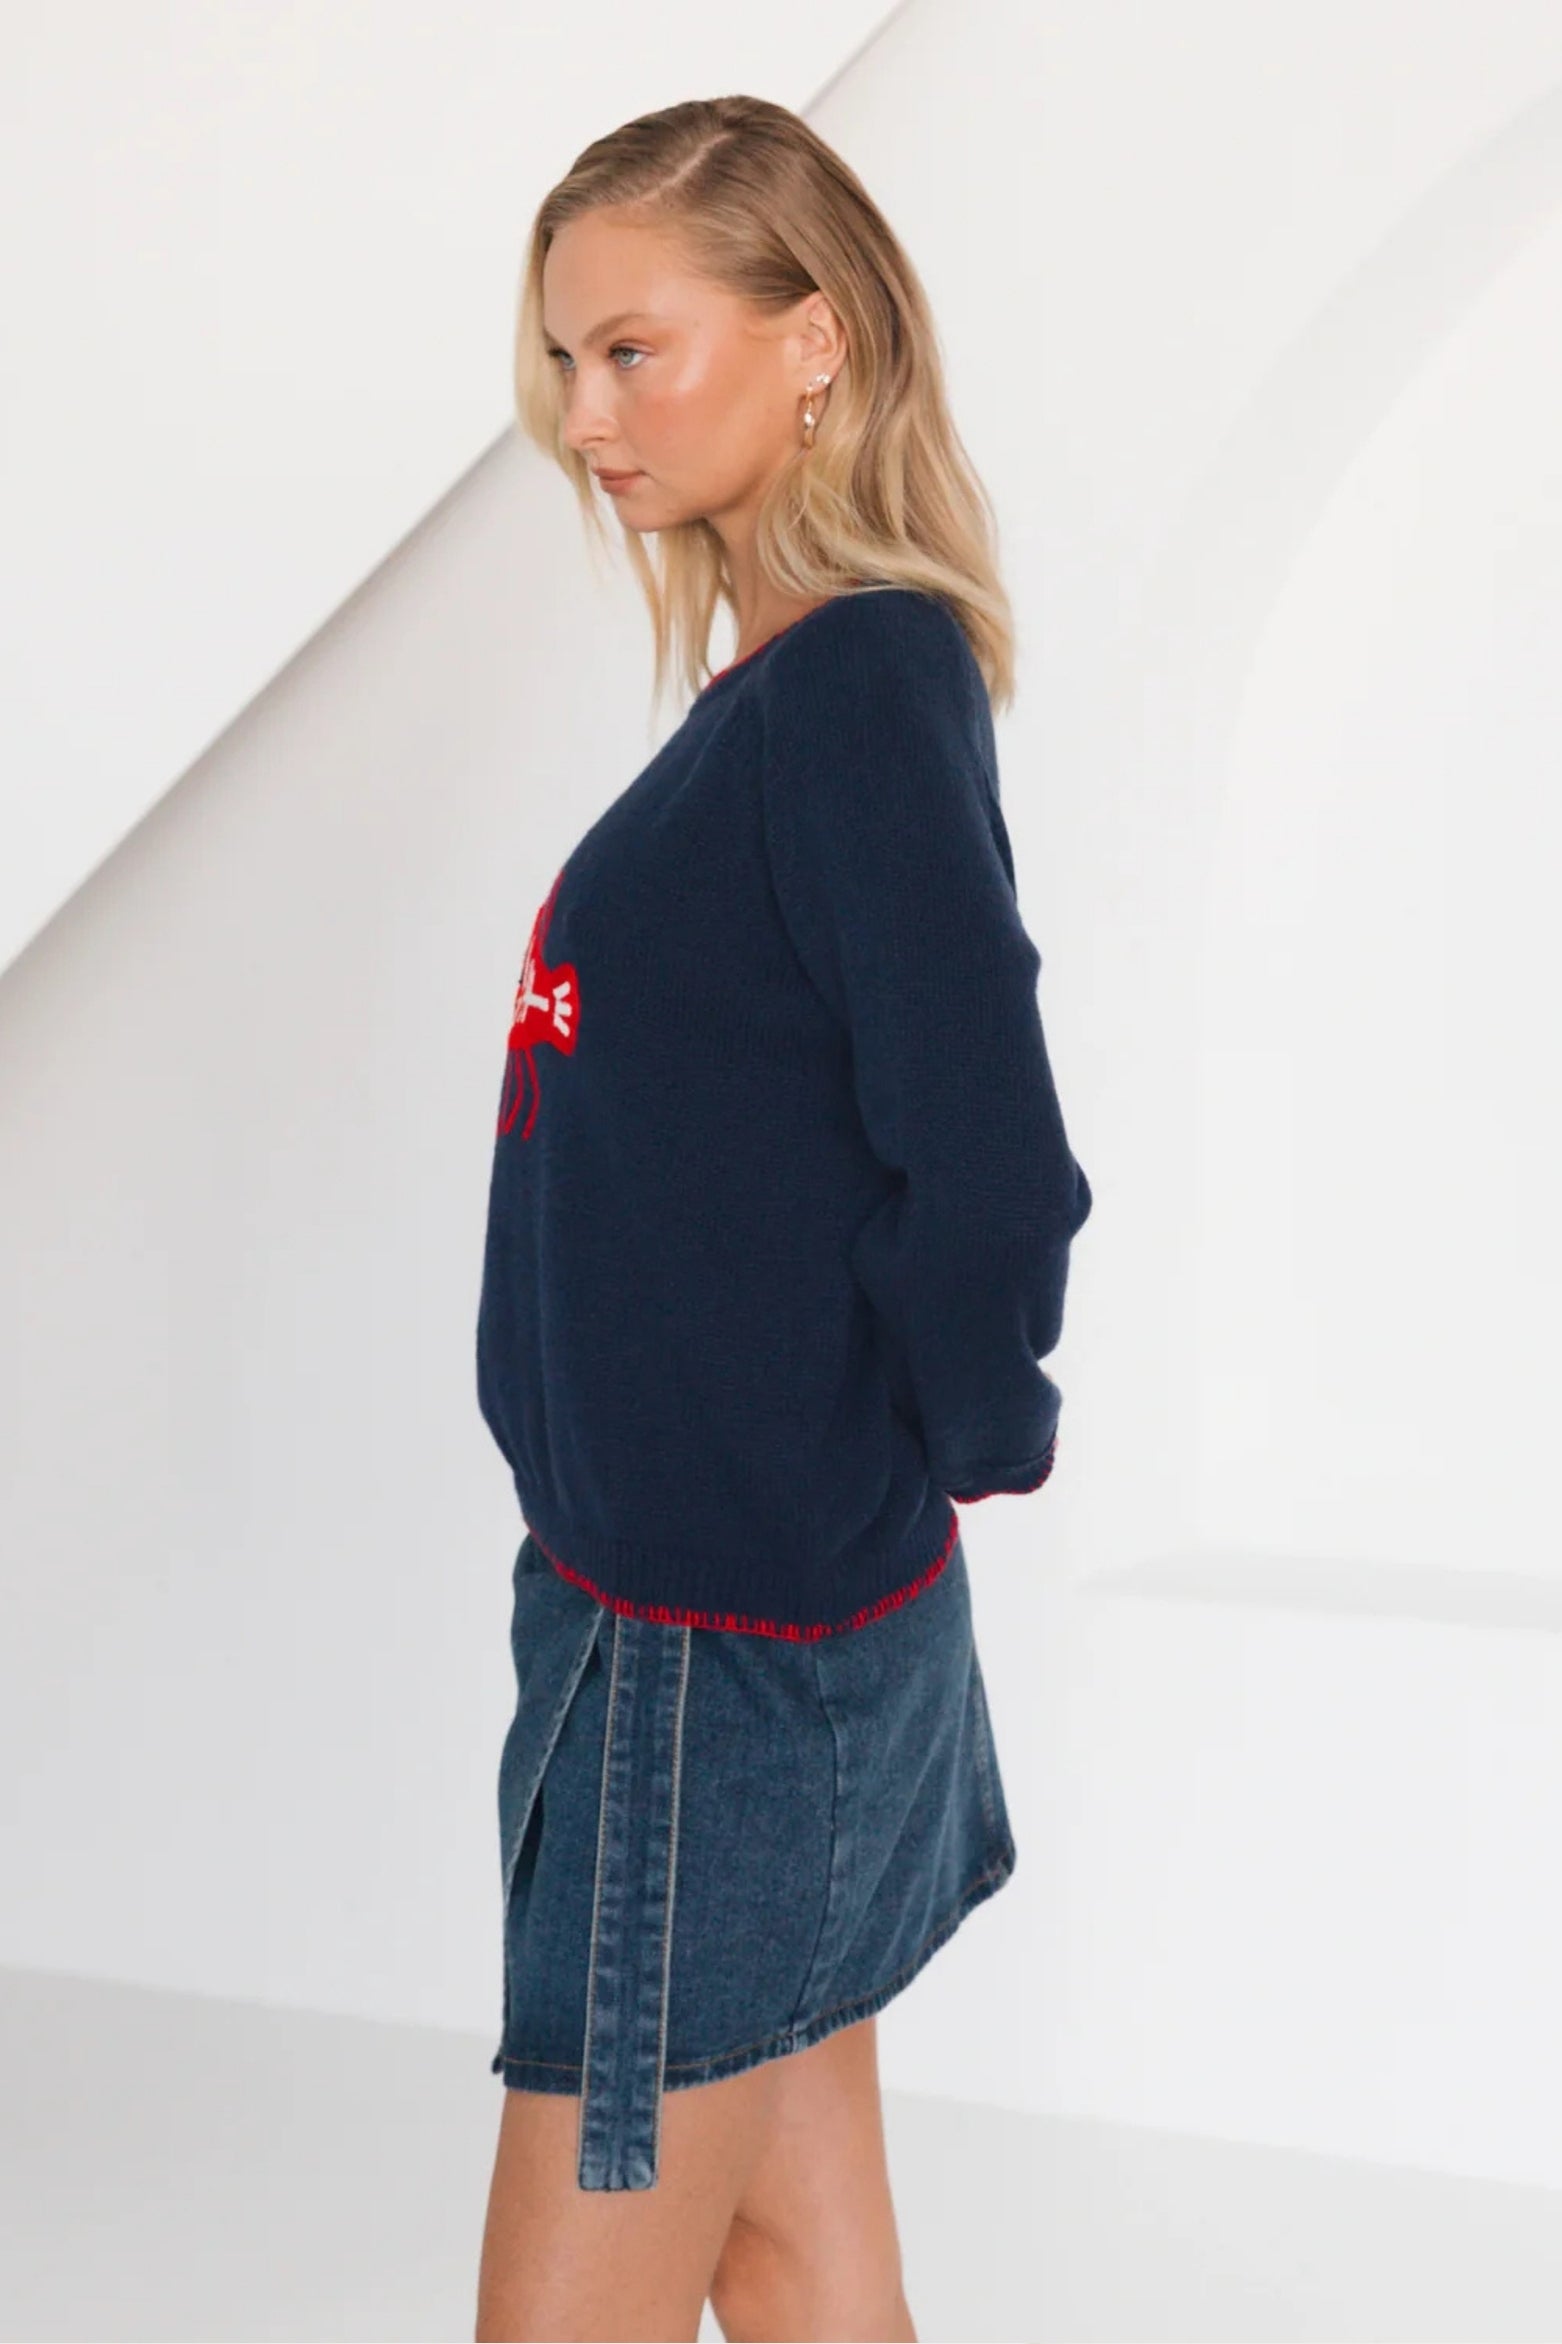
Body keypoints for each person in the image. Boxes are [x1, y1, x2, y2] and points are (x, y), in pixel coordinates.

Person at [472, 93, 1092, 2344]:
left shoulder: (850, 692)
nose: (585, 418)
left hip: (708, 1655)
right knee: (791, 2252)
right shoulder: (801, 689)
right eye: (565, 363)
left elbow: (987, 1151)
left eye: (635, 352)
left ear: (813, 336)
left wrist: (957, 1427)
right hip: (713, 1617)